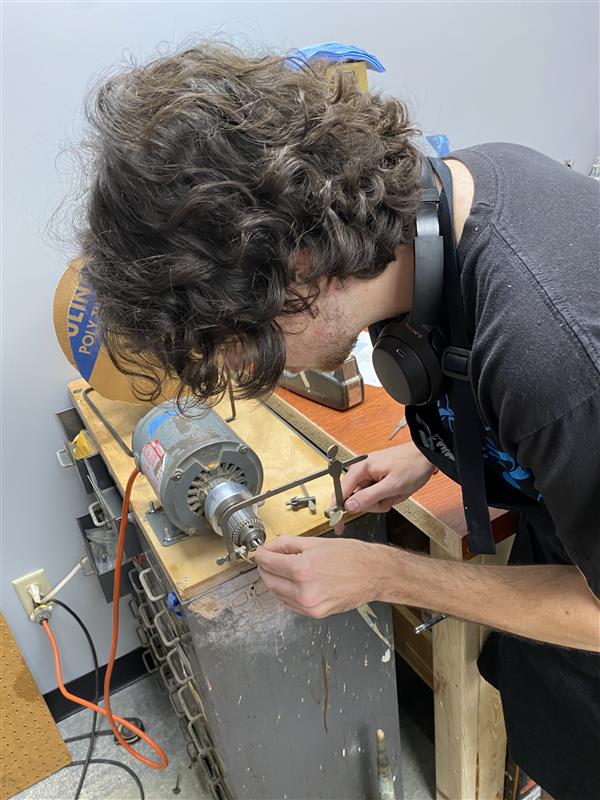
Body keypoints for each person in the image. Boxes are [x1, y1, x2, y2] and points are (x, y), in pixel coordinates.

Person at [76, 44, 599, 798]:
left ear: (295, 268)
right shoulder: (447, 205)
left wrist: (386, 573)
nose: (239, 369)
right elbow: (483, 371)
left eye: (232, 342)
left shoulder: (556, 359)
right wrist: (440, 449)